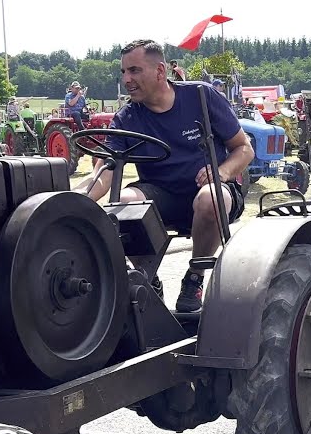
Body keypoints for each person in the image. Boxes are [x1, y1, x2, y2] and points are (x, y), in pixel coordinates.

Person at [74, 39, 254, 313]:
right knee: (123, 203)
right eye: (123, 72)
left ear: (160, 70)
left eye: (134, 70)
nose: (126, 79)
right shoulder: (127, 118)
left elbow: (244, 148)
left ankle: (194, 278)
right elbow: (105, 171)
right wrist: (73, 199)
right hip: (161, 196)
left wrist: (222, 171)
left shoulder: (201, 97)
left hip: (212, 192)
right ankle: (147, 278)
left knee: (209, 198)